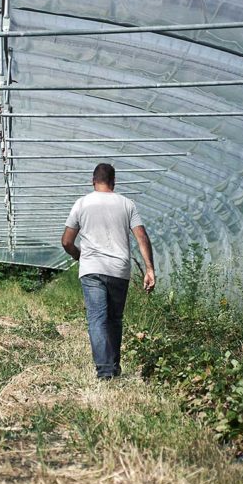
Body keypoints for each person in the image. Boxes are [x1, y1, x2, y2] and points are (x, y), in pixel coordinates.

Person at [61, 163, 156, 380]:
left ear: (93, 181)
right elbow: (141, 236)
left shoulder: (82, 203)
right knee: (114, 319)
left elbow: (66, 241)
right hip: (118, 269)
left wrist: (79, 256)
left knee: (97, 318)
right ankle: (113, 365)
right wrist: (149, 269)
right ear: (114, 182)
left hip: (92, 269)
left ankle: (105, 371)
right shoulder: (127, 204)